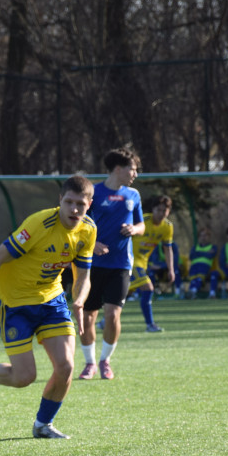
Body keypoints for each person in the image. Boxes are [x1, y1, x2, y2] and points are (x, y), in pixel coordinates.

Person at [0, 175, 97, 439]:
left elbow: (83, 275)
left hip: (51, 301)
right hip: (15, 304)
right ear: (59, 200)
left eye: (80, 205)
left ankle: (43, 425)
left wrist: (80, 301)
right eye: (68, 202)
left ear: (89, 204)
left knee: (66, 367)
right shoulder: (38, 224)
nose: (74, 209)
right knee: (24, 377)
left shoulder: (88, 230)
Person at [78, 147, 145, 380]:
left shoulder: (133, 195)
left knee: (113, 314)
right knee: (87, 317)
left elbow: (141, 225)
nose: (135, 173)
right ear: (118, 169)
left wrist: (134, 229)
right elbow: (78, 223)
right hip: (92, 265)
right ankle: (89, 363)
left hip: (121, 265)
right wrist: (93, 242)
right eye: (132, 169)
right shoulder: (94, 193)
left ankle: (105, 361)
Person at [128, 195, 175, 332]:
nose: (161, 213)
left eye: (164, 211)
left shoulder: (167, 227)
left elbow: (168, 249)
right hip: (130, 260)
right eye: (158, 210)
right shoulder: (142, 220)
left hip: (143, 263)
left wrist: (171, 270)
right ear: (153, 209)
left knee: (122, 294)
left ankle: (104, 321)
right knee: (148, 288)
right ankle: (150, 325)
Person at [185, 227, 219, 299]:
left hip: (205, 267)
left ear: (209, 237)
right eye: (201, 235)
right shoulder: (195, 247)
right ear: (199, 237)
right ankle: (192, 292)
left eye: (205, 235)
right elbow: (191, 256)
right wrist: (205, 253)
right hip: (194, 267)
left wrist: (198, 253)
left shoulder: (213, 247)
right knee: (193, 278)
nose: (203, 237)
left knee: (200, 277)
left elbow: (210, 256)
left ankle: (193, 291)